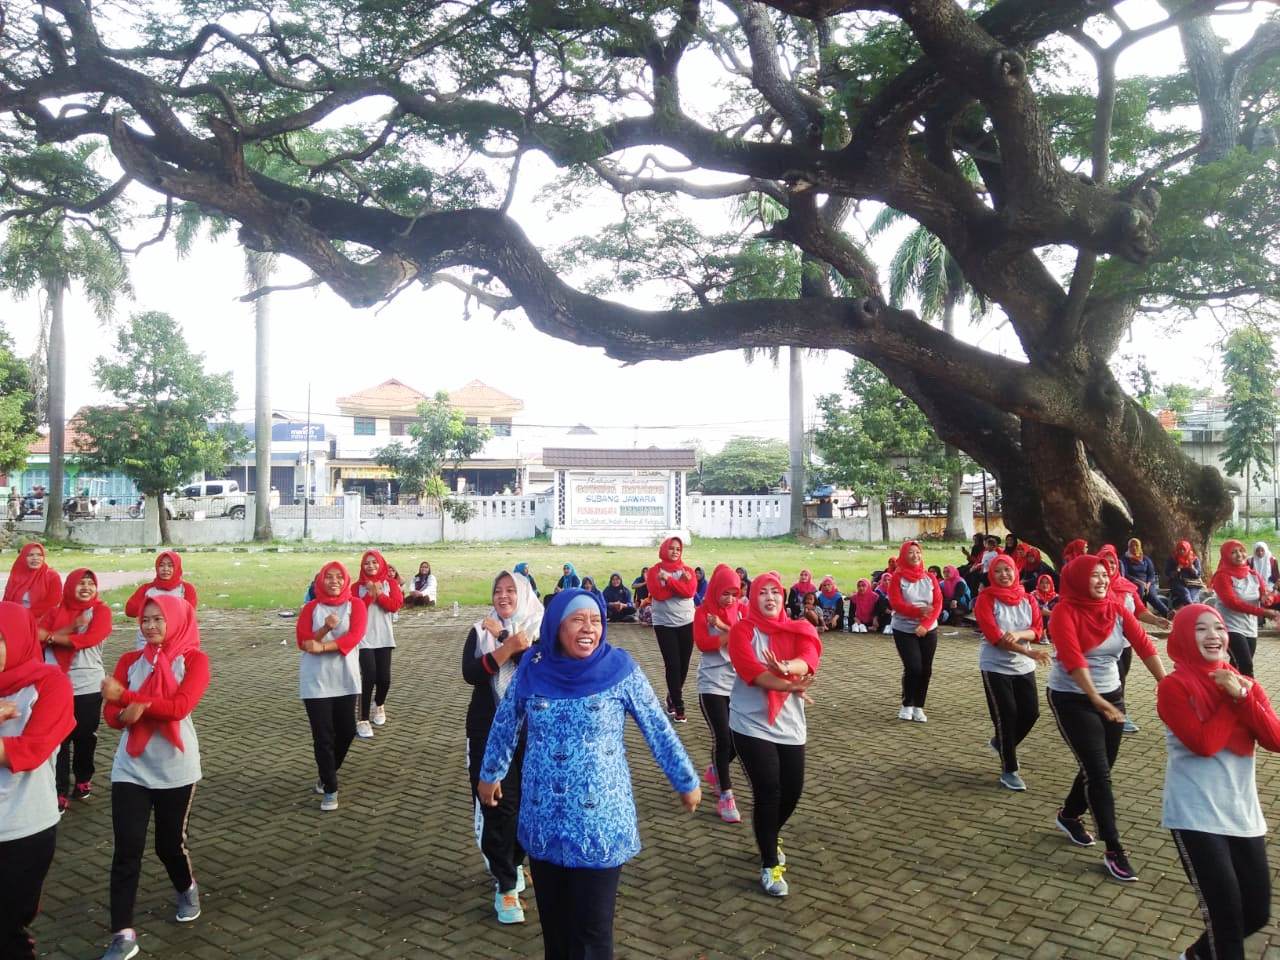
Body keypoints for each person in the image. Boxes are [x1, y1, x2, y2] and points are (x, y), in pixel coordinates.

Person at [478, 589, 700, 959]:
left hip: (600, 824)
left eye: (596, 621)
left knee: (592, 935)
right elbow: (505, 723)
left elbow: (657, 727)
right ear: (555, 627)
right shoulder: (533, 667)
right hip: (544, 820)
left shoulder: (620, 669)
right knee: (557, 934)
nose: (589, 629)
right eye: (578, 620)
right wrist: (491, 772)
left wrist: (685, 780)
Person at [1157, 604, 1280, 960]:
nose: (1213, 636)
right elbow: (1205, 744)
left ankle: (1195, 956)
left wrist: (1243, 696)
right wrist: (1233, 700)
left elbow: (1274, 739)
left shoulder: (1246, 685)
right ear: (1182, 636)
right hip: (1195, 813)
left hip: (1242, 811)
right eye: (1200, 629)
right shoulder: (1173, 686)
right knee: (1225, 923)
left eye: (1218, 628)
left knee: (1256, 912)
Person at [99, 595, 210, 960]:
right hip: (131, 767)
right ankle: (123, 935)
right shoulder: (131, 660)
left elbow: (179, 707)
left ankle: (185, 885)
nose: (150, 626)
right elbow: (112, 714)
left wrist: (131, 700)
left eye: (158, 619)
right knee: (126, 850)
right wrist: (123, 716)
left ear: (175, 620)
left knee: (168, 845)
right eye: (145, 620)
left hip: (176, 767)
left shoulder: (194, 660)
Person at [1046, 554, 1166, 883]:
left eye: (1104, 575)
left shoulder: (1115, 607)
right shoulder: (1063, 613)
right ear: (1077, 579)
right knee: (1098, 772)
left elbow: (1143, 645)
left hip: (1111, 695)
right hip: (1073, 698)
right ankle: (1114, 848)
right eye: (1093, 576)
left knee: (1099, 766)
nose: (1101, 580)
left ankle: (1069, 814)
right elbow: (1071, 658)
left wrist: (1166, 684)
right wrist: (1094, 698)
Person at [728, 572, 821, 897]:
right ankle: (770, 864)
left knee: (792, 790)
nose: (769, 597)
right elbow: (751, 672)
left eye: (775, 593)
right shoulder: (743, 630)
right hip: (750, 722)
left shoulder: (799, 628)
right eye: (762, 592)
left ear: (783, 598)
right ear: (752, 598)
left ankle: (769, 832)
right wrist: (788, 684)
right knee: (769, 789)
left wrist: (788, 667)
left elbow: (809, 659)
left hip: (790, 722)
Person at [463, 571, 541, 925]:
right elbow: (471, 673)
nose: (504, 596)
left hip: (531, 733)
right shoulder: (480, 632)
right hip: (487, 732)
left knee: (525, 807)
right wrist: (505, 647)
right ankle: (505, 886)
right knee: (497, 807)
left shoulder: (541, 632)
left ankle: (513, 861)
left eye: (511, 590)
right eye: (498, 590)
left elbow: (537, 672)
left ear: (524, 594)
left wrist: (508, 639)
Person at [0, 601, 76, 960]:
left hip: (23, 830)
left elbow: (30, 752)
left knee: (6, 929)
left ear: (15, 637)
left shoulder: (50, 685)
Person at [975, 556, 1051, 791]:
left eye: (1007, 569)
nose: (1003, 574)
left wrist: (1019, 635)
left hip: (1023, 667)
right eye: (997, 571)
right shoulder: (985, 599)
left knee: (1030, 713)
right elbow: (996, 637)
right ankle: (1010, 769)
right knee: (1006, 716)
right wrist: (1028, 652)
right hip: (995, 665)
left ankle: (1002, 744)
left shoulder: (1027, 598)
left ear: (1015, 571)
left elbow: (1037, 630)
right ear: (991, 574)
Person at [39, 568, 112, 810]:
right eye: (80, 583)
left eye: (91, 583)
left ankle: (83, 778)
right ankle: (58, 789)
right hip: (55, 684)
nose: (86, 587)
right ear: (70, 585)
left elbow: (88, 640)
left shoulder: (100, 611)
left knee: (84, 736)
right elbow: (36, 636)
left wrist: (51, 637)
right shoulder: (54, 612)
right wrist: (70, 627)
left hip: (88, 684)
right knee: (59, 738)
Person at [296, 562, 367, 812]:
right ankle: (330, 788)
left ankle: (327, 773)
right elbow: (303, 642)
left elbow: (354, 636)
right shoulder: (311, 608)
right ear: (320, 580)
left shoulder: (355, 605)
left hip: (346, 680)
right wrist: (325, 627)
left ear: (346, 580)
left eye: (339, 577)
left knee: (347, 731)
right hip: (315, 681)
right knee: (323, 736)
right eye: (329, 577)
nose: (334, 581)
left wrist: (324, 646)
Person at [693, 563, 746, 824]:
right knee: (723, 737)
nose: (730, 599)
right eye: (725, 593)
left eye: (734, 594)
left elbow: (746, 636)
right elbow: (703, 644)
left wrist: (726, 628)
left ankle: (716, 769)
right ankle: (726, 795)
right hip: (711, 683)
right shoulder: (702, 612)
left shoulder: (737, 610)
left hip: (736, 681)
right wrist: (728, 634)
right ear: (715, 590)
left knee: (739, 738)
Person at [887, 541, 943, 722]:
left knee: (926, 669)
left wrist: (925, 625)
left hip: (928, 628)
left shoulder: (930, 578)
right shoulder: (897, 578)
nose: (915, 555)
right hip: (904, 628)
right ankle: (907, 703)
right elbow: (896, 603)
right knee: (913, 667)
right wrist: (917, 612)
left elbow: (937, 604)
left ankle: (919, 706)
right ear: (903, 555)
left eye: (917, 552)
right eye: (910, 552)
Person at [646, 537, 698, 724]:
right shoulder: (654, 571)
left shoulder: (688, 570)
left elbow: (690, 592)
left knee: (684, 665)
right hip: (664, 624)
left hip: (686, 621)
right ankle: (678, 704)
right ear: (664, 549)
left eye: (678, 549)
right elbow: (658, 595)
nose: (675, 551)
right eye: (671, 548)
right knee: (673, 664)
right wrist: (678, 586)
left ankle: (672, 695)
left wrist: (669, 580)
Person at [1211, 539, 1279, 678]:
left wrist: (1269, 598)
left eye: (1241, 551)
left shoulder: (1253, 574)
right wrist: (1264, 612)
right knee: (1246, 665)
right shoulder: (1221, 576)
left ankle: (1227, 691)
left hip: (1249, 626)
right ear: (1225, 555)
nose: (1239, 555)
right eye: (1233, 552)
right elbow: (1233, 603)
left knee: (1237, 665)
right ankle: (1251, 696)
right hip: (1229, 626)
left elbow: (1264, 596)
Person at [353, 550, 403, 739]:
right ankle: (363, 719)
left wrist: (380, 594)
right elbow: (355, 610)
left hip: (384, 637)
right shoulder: (356, 587)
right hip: (364, 639)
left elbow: (395, 605)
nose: (371, 566)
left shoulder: (390, 584)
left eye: (375, 562)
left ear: (381, 564)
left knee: (384, 679)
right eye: (367, 563)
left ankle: (379, 704)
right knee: (369, 676)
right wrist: (369, 595)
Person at [123, 551, 198, 618]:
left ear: (177, 568)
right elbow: (130, 611)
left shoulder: (186, 589)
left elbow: (189, 614)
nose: (165, 569)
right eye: (161, 565)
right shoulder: (146, 589)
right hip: (151, 630)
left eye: (170, 565)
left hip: (178, 631)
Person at [3, 543, 62, 620]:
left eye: (39, 555)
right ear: (23, 557)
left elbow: (53, 603)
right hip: (15, 617)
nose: (35, 558)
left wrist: (26, 615)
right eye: (30, 555)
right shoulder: (17, 574)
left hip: (42, 620)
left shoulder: (52, 576)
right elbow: (7, 601)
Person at [1120, 538, 1170, 617]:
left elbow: (1151, 574)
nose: (1134, 547)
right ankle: (1137, 613)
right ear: (1128, 547)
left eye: (1136, 545)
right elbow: (1125, 574)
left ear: (1139, 546)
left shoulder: (1145, 559)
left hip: (1148, 583)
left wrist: (1148, 584)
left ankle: (1167, 613)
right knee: (1140, 588)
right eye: (1131, 546)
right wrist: (1140, 582)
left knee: (1152, 596)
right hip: (1133, 582)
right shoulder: (1125, 559)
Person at [1166, 540, 1204, 610]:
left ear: (1188, 549)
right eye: (1180, 549)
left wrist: (1192, 569)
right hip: (1178, 582)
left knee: (1191, 597)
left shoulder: (1194, 559)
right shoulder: (1173, 559)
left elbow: (1198, 575)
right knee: (1185, 594)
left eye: (1184, 549)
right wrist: (1176, 570)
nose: (1182, 551)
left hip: (1193, 583)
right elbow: (1167, 573)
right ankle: (1193, 611)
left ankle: (1183, 612)